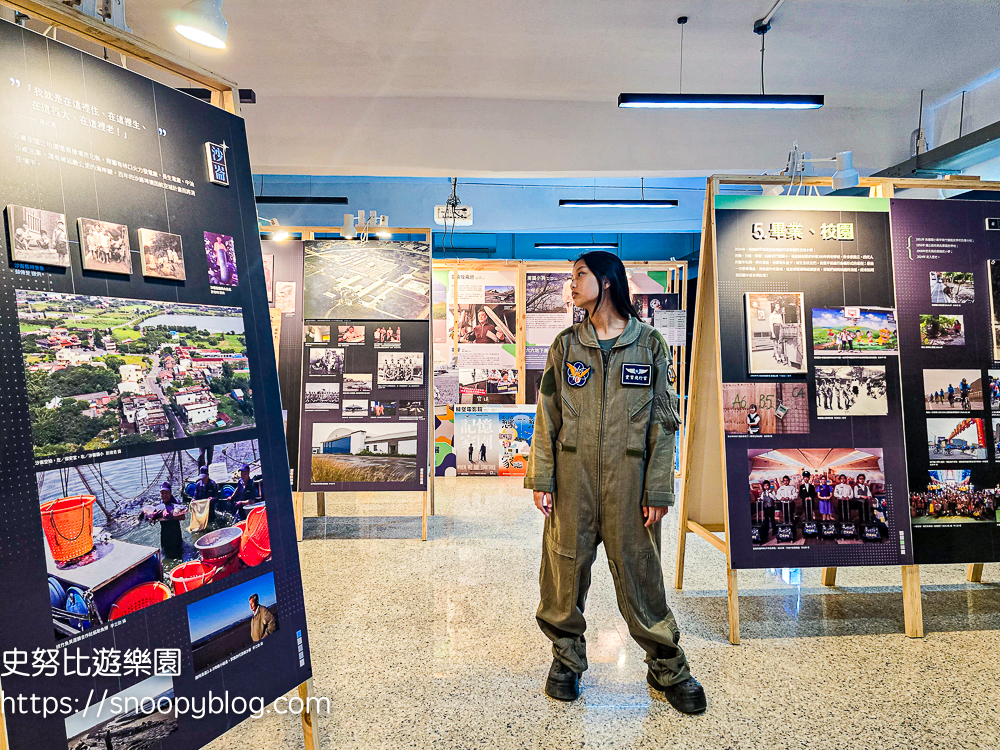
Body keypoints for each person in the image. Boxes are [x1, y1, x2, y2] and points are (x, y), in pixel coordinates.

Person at [526, 250, 704, 713]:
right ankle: (565, 660)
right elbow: (547, 417)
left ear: (607, 281)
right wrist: (543, 477)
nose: (571, 283)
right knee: (564, 571)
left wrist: (658, 489)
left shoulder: (650, 346)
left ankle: (667, 665)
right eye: (571, 276)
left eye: (579, 275)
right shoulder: (566, 346)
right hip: (573, 481)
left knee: (642, 575)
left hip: (630, 482)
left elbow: (664, 424)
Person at [144, 482, 186, 560]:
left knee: (179, 553)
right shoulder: (160, 504)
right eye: (162, 493)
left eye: (166, 493)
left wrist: (170, 517)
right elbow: (153, 521)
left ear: (170, 492)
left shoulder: (176, 502)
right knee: (166, 553)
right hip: (164, 534)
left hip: (175, 533)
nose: (164, 495)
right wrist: (153, 518)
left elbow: (183, 517)